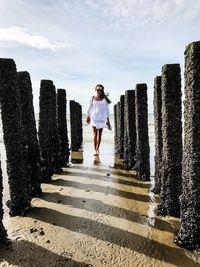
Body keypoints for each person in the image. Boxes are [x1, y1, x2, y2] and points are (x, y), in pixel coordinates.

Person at [86, 84, 111, 156]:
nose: (99, 91)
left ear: (102, 91)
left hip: (102, 118)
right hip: (94, 117)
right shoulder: (92, 98)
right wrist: (88, 116)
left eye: (100, 90)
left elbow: (107, 109)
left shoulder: (105, 99)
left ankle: (97, 148)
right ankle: (95, 150)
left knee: (99, 134)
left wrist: (108, 119)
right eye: (98, 90)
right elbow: (89, 107)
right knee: (94, 134)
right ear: (95, 90)